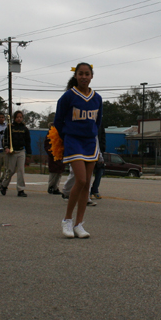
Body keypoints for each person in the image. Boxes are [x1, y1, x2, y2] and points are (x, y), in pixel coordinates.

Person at [54, 63, 102, 238]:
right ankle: (67, 219)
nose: (83, 77)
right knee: (80, 180)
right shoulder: (68, 96)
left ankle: (79, 224)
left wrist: (93, 136)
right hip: (73, 141)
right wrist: (67, 137)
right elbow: (58, 121)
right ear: (76, 76)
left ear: (91, 76)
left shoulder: (97, 98)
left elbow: (97, 122)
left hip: (90, 143)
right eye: (80, 74)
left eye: (86, 74)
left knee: (87, 183)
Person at [0, 111, 31, 197]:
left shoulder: (25, 129)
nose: (19, 119)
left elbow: (28, 142)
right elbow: (5, 139)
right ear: (14, 118)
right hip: (12, 153)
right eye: (17, 117)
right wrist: (6, 147)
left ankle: (20, 189)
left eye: (20, 117)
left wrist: (28, 154)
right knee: (10, 170)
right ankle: (4, 185)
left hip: (21, 151)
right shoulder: (10, 128)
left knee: (21, 171)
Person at [45, 122, 65, 195]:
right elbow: (47, 144)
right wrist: (51, 153)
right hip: (53, 154)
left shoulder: (63, 131)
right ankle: (51, 186)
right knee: (53, 172)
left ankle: (56, 187)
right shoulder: (51, 132)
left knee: (59, 172)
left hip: (61, 153)